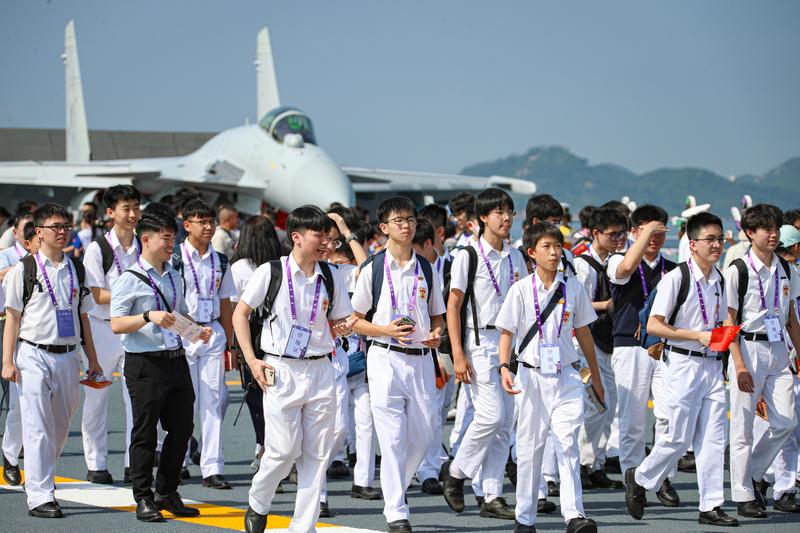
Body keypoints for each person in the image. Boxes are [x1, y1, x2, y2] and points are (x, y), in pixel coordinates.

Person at [234, 205, 353, 533]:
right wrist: (252, 360)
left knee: (316, 455)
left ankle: (303, 527)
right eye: (319, 236)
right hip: (280, 369)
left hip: (321, 369)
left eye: (328, 237)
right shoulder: (271, 272)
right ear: (297, 238)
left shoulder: (331, 275)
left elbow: (339, 319)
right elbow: (240, 314)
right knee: (283, 451)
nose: (325, 242)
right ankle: (259, 501)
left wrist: (345, 325)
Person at [624, 212, 739, 526]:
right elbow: (654, 325)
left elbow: (725, 320)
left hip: (712, 365)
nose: (717, 245)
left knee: (714, 438)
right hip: (682, 363)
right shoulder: (677, 278)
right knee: (677, 437)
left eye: (720, 239)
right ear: (693, 245)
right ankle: (641, 476)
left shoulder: (720, 280)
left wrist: (735, 356)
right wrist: (697, 335)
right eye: (710, 240)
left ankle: (710, 506)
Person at [495, 221, 603, 533]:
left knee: (567, 443)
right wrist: (504, 368)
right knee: (530, 449)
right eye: (547, 247)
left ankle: (574, 516)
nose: (555, 252)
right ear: (532, 253)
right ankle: (525, 518)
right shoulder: (520, 291)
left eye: (558, 246)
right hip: (531, 378)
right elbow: (506, 333)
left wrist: (596, 377)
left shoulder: (573, 289)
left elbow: (583, 333)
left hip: (567, 376)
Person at [110, 202, 211, 522]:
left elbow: (177, 313)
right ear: (146, 239)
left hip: (176, 359)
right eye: (165, 237)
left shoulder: (174, 276)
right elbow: (116, 323)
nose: (171, 244)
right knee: (144, 433)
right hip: (144, 363)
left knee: (182, 428)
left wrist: (195, 329)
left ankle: (167, 490)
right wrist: (146, 316)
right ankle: (143, 496)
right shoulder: (129, 279)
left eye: (173, 237)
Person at [351, 196, 446, 533]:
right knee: (391, 439)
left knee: (423, 435)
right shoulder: (373, 269)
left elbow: (438, 315)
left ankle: (395, 490)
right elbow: (354, 321)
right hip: (384, 357)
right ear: (384, 228)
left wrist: (436, 333)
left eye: (410, 219)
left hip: (421, 359)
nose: (406, 225)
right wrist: (385, 330)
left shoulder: (427, 268)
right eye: (399, 221)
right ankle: (396, 512)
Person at [2, 203, 102, 518]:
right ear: (40, 232)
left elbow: (83, 318)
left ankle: (43, 475)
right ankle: (40, 495)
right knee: (37, 426)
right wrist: (8, 361)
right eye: (55, 226)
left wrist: (94, 360)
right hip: (32, 352)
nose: (61, 232)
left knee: (60, 425)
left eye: (65, 226)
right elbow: (13, 318)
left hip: (69, 354)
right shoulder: (24, 269)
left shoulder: (77, 268)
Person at [440, 188, 525, 520]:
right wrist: (458, 354)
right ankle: (457, 472)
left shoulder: (516, 257)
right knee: (489, 416)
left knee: (505, 423)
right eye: (499, 212)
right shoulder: (468, 255)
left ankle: (492, 495)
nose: (506, 219)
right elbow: (454, 305)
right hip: (480, 344)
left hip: (511, 345)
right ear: (482, 219)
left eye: (509, 212)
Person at [724, 203, 800, 519]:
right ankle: (743, 495)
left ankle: (754, 474)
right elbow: (728, 322)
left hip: (779, 348)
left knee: (786, 421)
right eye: (766, 229)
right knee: (742, 427)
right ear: (750, 233)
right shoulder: (738, 270)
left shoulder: (787, 268)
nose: (773, 234)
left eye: (775, 229)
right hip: (747, 348)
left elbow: (791, 316)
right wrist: (739, 364)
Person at [607, 204, 680, 507]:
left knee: (670, 415)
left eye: (660, 231)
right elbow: (624, 271)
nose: (654, 238)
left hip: (664, 347)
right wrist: (645, 233)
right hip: (629, 345)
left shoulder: (674, 269)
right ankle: (632, 476)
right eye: (648, 231)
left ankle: (661, 476)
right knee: (633, 418)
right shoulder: (617, 260)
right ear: (634, 232)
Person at [80, 185, 141, 484]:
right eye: (125, 208)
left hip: (134, 330)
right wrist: (129, 294)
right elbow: (94, 293)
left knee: (137, 399)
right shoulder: (97, 249)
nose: (132, 214)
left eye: (135, 207)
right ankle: (96, 463)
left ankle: (135, 463)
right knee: (96, 397)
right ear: (110, 213)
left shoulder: (143, 245)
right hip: (101, 328)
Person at [176, 199, 237, 489]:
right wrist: (183, 330)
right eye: (201, 221)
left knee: (214, 400)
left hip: (212, 331)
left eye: (211, 220)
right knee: (183, 401)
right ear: (186, 225)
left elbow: (226, 304)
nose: (208, 226)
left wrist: (231, 345)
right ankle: (178, 458)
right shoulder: (175, 256)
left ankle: (212, 467)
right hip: (183, 331)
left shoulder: (221, 259)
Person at [574, 207, 628, 489]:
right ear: (596, 233)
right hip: (588, 341)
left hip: (613, 340)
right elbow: (574, 304)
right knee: (594, 403)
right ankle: (583, 462)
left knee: (609, 405)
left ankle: (596, 462)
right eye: (613, 234)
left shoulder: (620, 260)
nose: (619, 238)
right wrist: (604, 306)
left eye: (623, 233)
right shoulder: (583, 264)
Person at [229, 214, 282, 471]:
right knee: (279, 395)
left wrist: (234, 348)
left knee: (255, 395)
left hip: (249, 336)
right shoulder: (281, 265)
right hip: (278, 335)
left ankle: (264, 446)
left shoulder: (239, 269)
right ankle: (277, 449)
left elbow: (233, 309)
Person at [0, 219, 39, 487]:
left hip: (54, 346)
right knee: (18, 405)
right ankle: (11, 455)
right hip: (18, 338)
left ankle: (40, 470)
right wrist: (8, 359)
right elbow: (12, 315)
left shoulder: (68, 268)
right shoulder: (17, 267)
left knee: (50, 413)